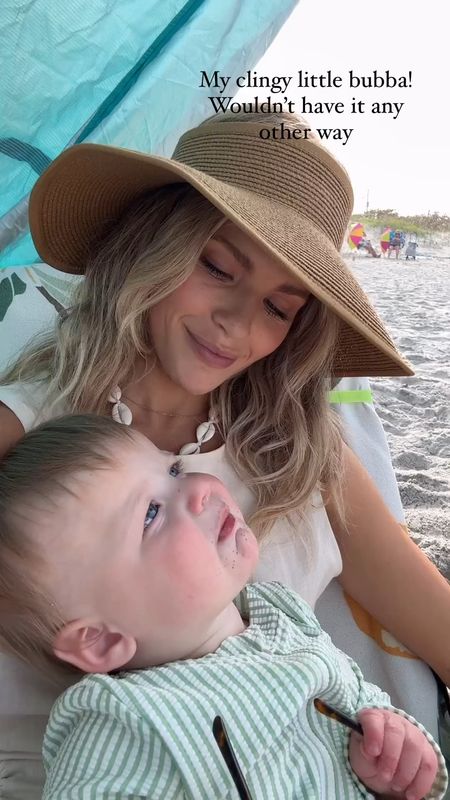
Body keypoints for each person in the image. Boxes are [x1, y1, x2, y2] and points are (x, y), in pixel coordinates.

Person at [0, 111, 450, 743]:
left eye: (277, 307)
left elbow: (431, 616)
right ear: (150, 243)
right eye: (216, 267)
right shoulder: (34, 430)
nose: (237, 324)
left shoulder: (298, 452)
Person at [0, 414, 447, 800]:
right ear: (101, 640)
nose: (198, 488)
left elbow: (367, 707)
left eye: (173, 470)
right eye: (152, 514)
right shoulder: (120, 725)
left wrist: (392, 758)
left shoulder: (285, 615)